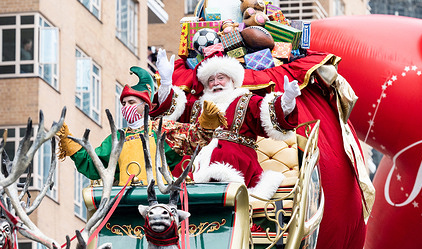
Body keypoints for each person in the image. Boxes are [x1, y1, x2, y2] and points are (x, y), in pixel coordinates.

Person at [150, 51, 300, 200]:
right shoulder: (196, 106)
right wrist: (166, 82)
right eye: (211, 80)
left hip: (236, 163)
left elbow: (271, 113)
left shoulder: (247, 101)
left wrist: (287, 99)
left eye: (221, 78)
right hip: (195, 163)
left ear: (232, 80)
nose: (215, 83)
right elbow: (169, 111)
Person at [57, 66, 224, 186]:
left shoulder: (163, 129)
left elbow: (194, 139)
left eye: (131, 102)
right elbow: (95, 165)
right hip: (127, 201)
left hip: (161, 198)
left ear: (147, 106)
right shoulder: (117, 138)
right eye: (123, 103)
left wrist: (207, 121)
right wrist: (71, 145)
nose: (126, 107)